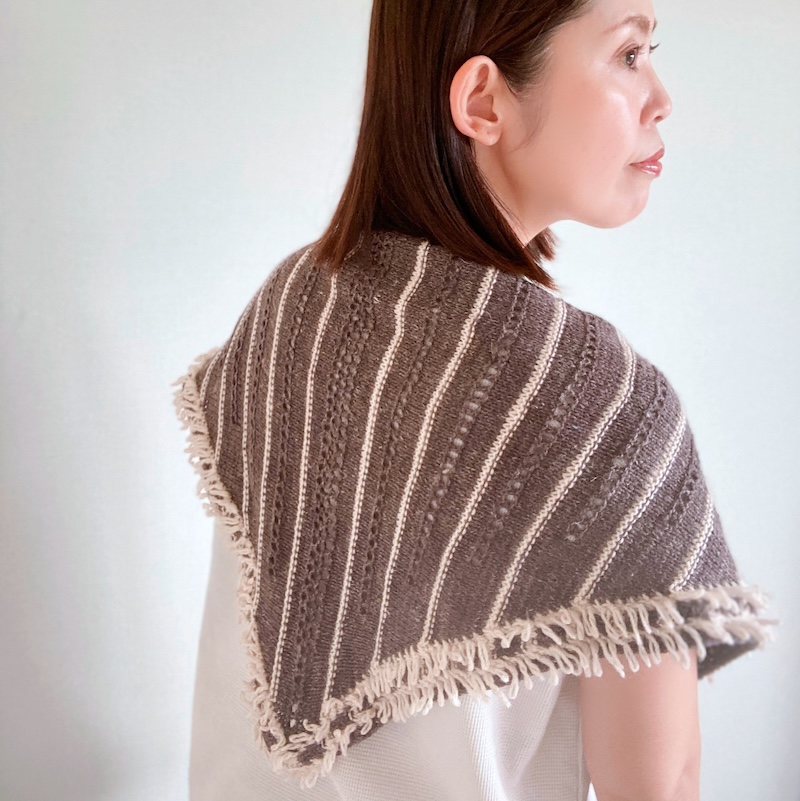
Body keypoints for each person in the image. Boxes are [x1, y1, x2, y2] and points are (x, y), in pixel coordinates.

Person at [172, 0, 778, 799]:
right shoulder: (601, 407)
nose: (661, 96)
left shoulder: (292, 318)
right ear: (483, 102)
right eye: (629, 54)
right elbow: (658, 783)